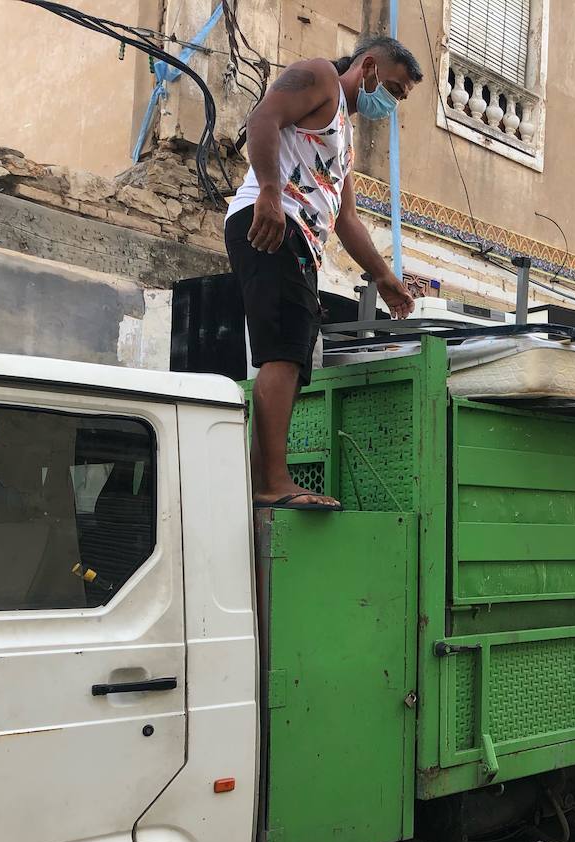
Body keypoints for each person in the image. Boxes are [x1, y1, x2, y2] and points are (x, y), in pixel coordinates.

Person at [226, 35, 421, 510]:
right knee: (282, 356)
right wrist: (270, 191)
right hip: (272, 221)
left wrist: (385, 278)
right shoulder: (320, 77)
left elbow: (347, 220)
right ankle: (270, 482)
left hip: (300, 241)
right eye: (394, 90)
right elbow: (262, 119)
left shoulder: (344, 141)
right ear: (369, 68)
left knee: (293, 357)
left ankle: (267, 477)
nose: (391, 104)